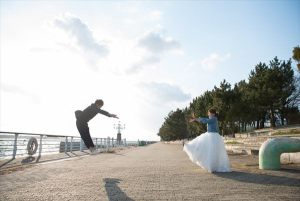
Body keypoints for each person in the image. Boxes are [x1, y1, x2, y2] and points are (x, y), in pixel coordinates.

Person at [183, 109, 231, 173]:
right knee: (200, 143)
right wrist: (195, 119)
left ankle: (212, 166)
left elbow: (205, 120)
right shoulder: (212, 119)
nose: (208, 115)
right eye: (208, 114)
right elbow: (204, 120)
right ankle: (188, 145)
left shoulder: (214, 119)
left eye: (209, 113)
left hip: (213, 136)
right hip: (210, 135)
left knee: (211, 151)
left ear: (213, 114)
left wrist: (196, 119)